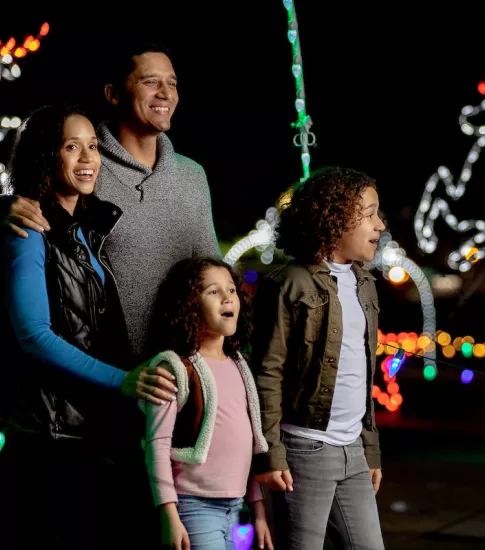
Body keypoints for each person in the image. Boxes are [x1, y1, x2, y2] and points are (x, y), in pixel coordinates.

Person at [0, 104, 177, 549]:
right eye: (71, 147)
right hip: (50, 439)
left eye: (93, 147)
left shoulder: (87, 230)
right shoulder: (29, 229)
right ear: (45, 156)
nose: (88, 159)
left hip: (93, 435)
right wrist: (124, 381)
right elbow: (33, 337)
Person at [1, 40, 221, 360]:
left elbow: (212, 273)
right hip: (108, 376)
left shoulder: (193, 176)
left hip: (180, 372)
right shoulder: (83, 171)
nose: (165, 93)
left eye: (171, 83)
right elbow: (33, 202)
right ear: (113, 93)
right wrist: (3, 205)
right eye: (150, 82)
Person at [251, 166, 387, 549]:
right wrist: (271, 454)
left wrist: (369, 449)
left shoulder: (366, 285)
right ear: (336, 218)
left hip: (354, 452)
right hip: (304, 451)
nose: (380, 225)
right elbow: (267, 374)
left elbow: (364, 377)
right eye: (371, 214)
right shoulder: (289, 283)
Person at [144, 257, 273, 550]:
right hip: (193, 507)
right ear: (189, 305)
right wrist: (169, 516)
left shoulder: (240, 365)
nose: (228, 297)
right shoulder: (174, 368)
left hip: (236, 507)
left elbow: (250, 445)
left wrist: (259, 512)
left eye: (231, 290)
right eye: (213, 292)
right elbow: (157, 445)